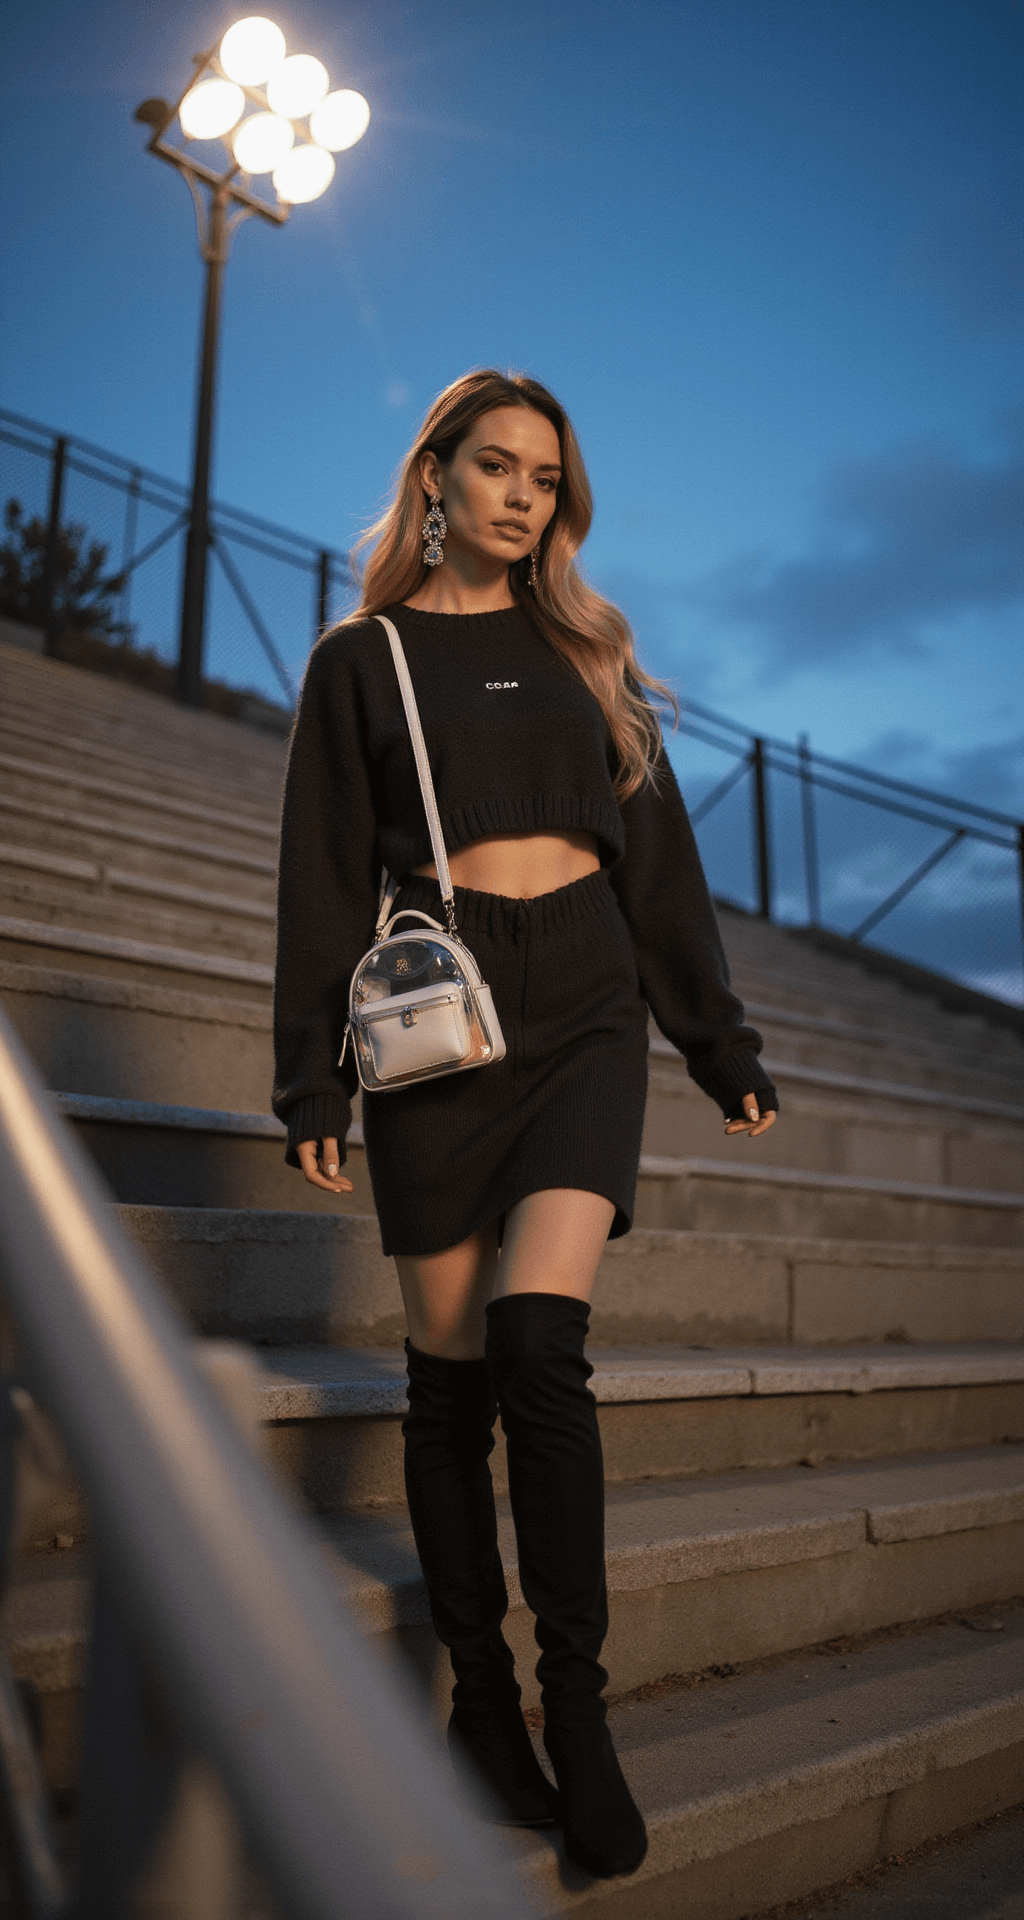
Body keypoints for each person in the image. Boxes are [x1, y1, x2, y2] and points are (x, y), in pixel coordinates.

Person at [272, 369, 778, 1880]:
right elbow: (320, 873)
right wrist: (312, 1077)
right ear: (436, 474)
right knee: (449, 1380)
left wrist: (718, 1042)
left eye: (544, 479)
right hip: (440, 1009)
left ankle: (580, 1713)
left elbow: (661, 865)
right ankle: (482, 1711)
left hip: (585, 1003)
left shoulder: (587, 653)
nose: (520, 497)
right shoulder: (360, 660)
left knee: (542, 1347)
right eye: (495, 467)